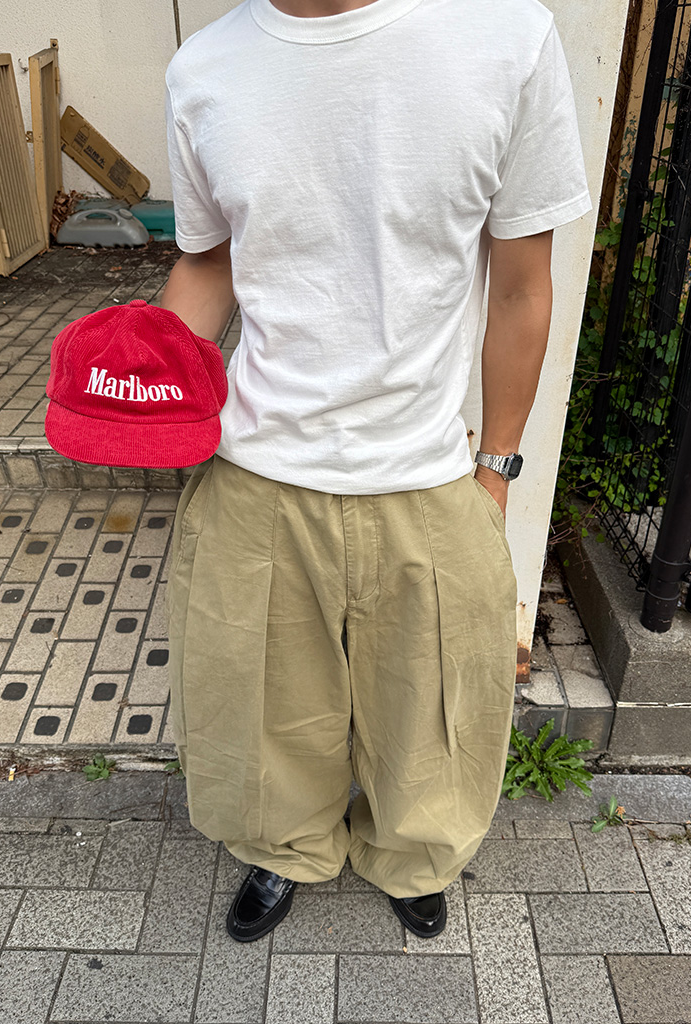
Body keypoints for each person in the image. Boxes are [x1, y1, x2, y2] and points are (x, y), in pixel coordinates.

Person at [160, 0, 591, 942]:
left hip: (426, 469)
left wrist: (497, 468)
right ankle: (285, 848)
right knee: (262, 706)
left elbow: (523, 284)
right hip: (256, 468)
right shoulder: (205, 68)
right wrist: (141, 385)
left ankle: (413, 855)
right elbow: (209, 264)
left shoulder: (506, 40)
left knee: (432, 707)